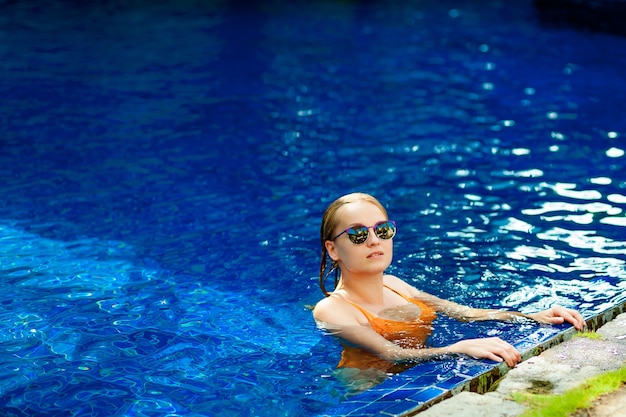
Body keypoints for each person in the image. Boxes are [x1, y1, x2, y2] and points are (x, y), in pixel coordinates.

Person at [313, 192, 585, 379]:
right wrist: (458, 347)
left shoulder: (396, 286)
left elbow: (464, 313)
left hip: (423, 370)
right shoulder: (331, 309)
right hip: (372, 388)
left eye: (382, 230)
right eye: (358, 234)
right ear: (333, 249)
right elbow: (390, 352)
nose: (374, 240)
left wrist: (534, 318)